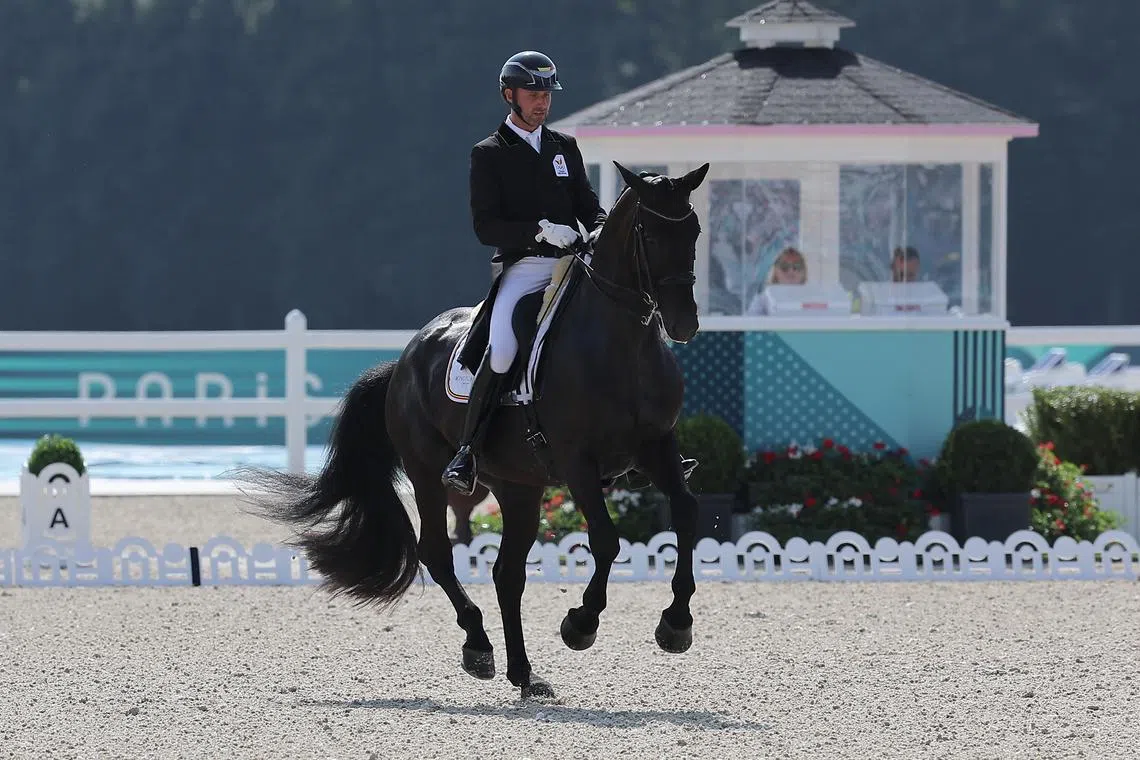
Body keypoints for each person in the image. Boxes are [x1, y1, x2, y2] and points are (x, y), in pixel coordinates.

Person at [442, 50, 695, 495]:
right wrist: (539, 232)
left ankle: (642, 448)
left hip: (574, 260)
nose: (542, 101)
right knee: (502, 347)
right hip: (524, 267)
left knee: (623, 329)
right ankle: (468, 450)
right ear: (510, 95)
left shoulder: (564, 147)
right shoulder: (489, 154)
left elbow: (588, 206)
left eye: (546, 94)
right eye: (533, 93)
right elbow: (486, 226)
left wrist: (598, 229)